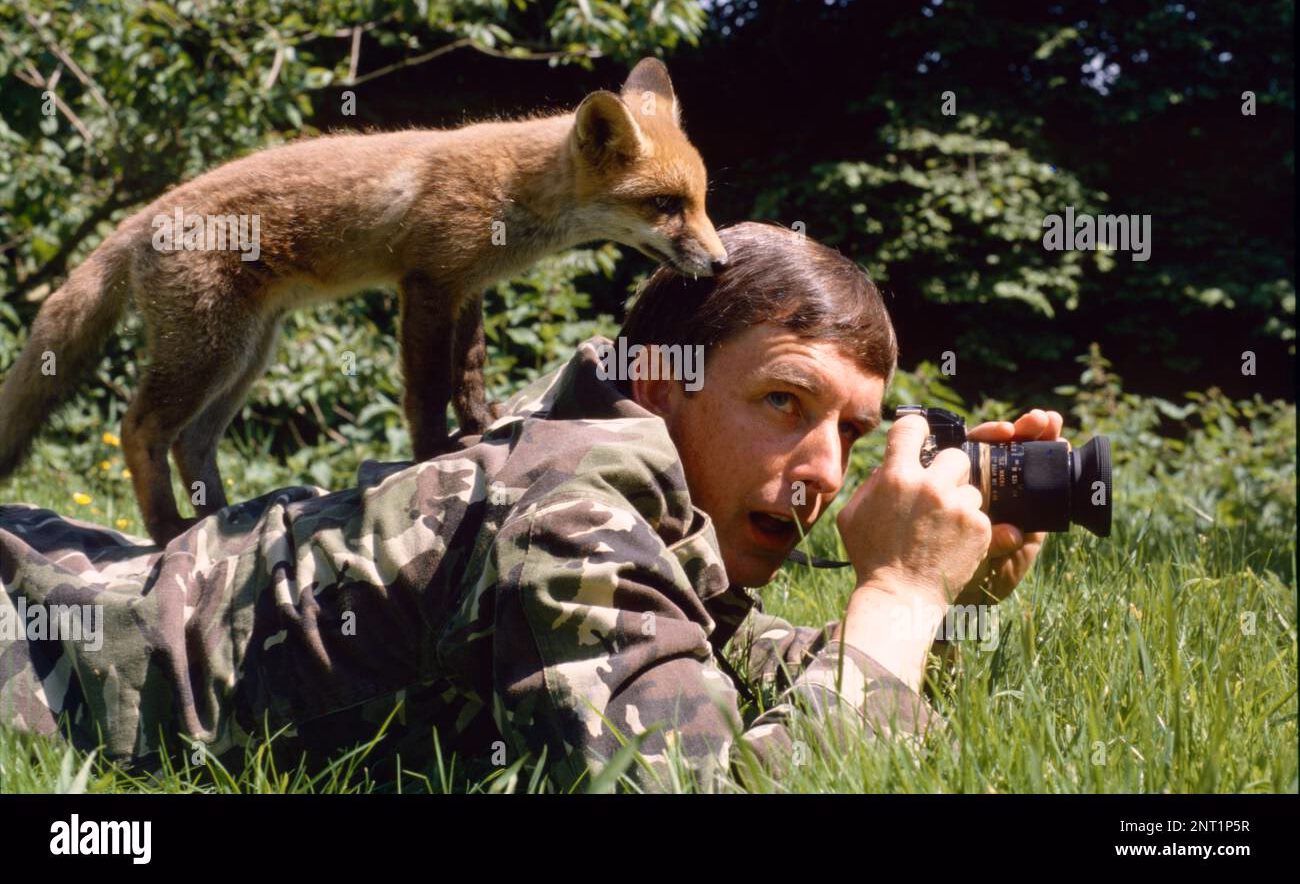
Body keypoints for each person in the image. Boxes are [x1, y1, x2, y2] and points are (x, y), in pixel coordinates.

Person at [0, 222, 1064, 791]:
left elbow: (723, 672)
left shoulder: (654, 509)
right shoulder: (573, 506)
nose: (825, 468)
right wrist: (898, 598)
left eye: (852, 432)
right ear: (660, 380)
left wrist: (940, 614)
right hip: (44, 662)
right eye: (783, 401)